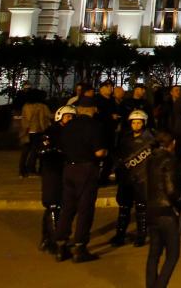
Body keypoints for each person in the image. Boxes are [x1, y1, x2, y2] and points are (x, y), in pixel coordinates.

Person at [53, 97, 109, 262]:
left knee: (67, 207)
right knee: (85, 209)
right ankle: (80, 247)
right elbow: (99, 152)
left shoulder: (68, 126)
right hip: (86, 169)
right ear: (91, 109)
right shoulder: (94, 126)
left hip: (69, 168)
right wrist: (104, 153)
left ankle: (61, 245)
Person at [143, 130, 181, 288]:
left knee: (154, 254)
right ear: (171, 143)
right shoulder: (169, 159)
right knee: (173, 254)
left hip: (151, 210)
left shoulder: (150, 159)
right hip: (166, 211)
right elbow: (171, 189)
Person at [112, 110, 154, 247]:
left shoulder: (150, 139)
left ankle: (141, 235)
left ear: (144, 123)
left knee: (141, 208)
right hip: (127, 178)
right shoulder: (125, 138)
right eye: (134, 123)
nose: (136, 125)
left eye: (139, 122)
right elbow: (119, 157)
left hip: (142, 178)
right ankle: (120, 235)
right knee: (124, 208)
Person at [37, 105, 72, 255]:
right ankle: (55, 240)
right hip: (52, 170)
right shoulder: (51, 132)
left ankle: (47, 237)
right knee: (53, 205)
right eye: (67, 116)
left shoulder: (73, 132)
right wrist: (57, 150)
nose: (69, 119)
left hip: (66, 170)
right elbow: (42, 150)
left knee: (59, 206)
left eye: (72, 117)